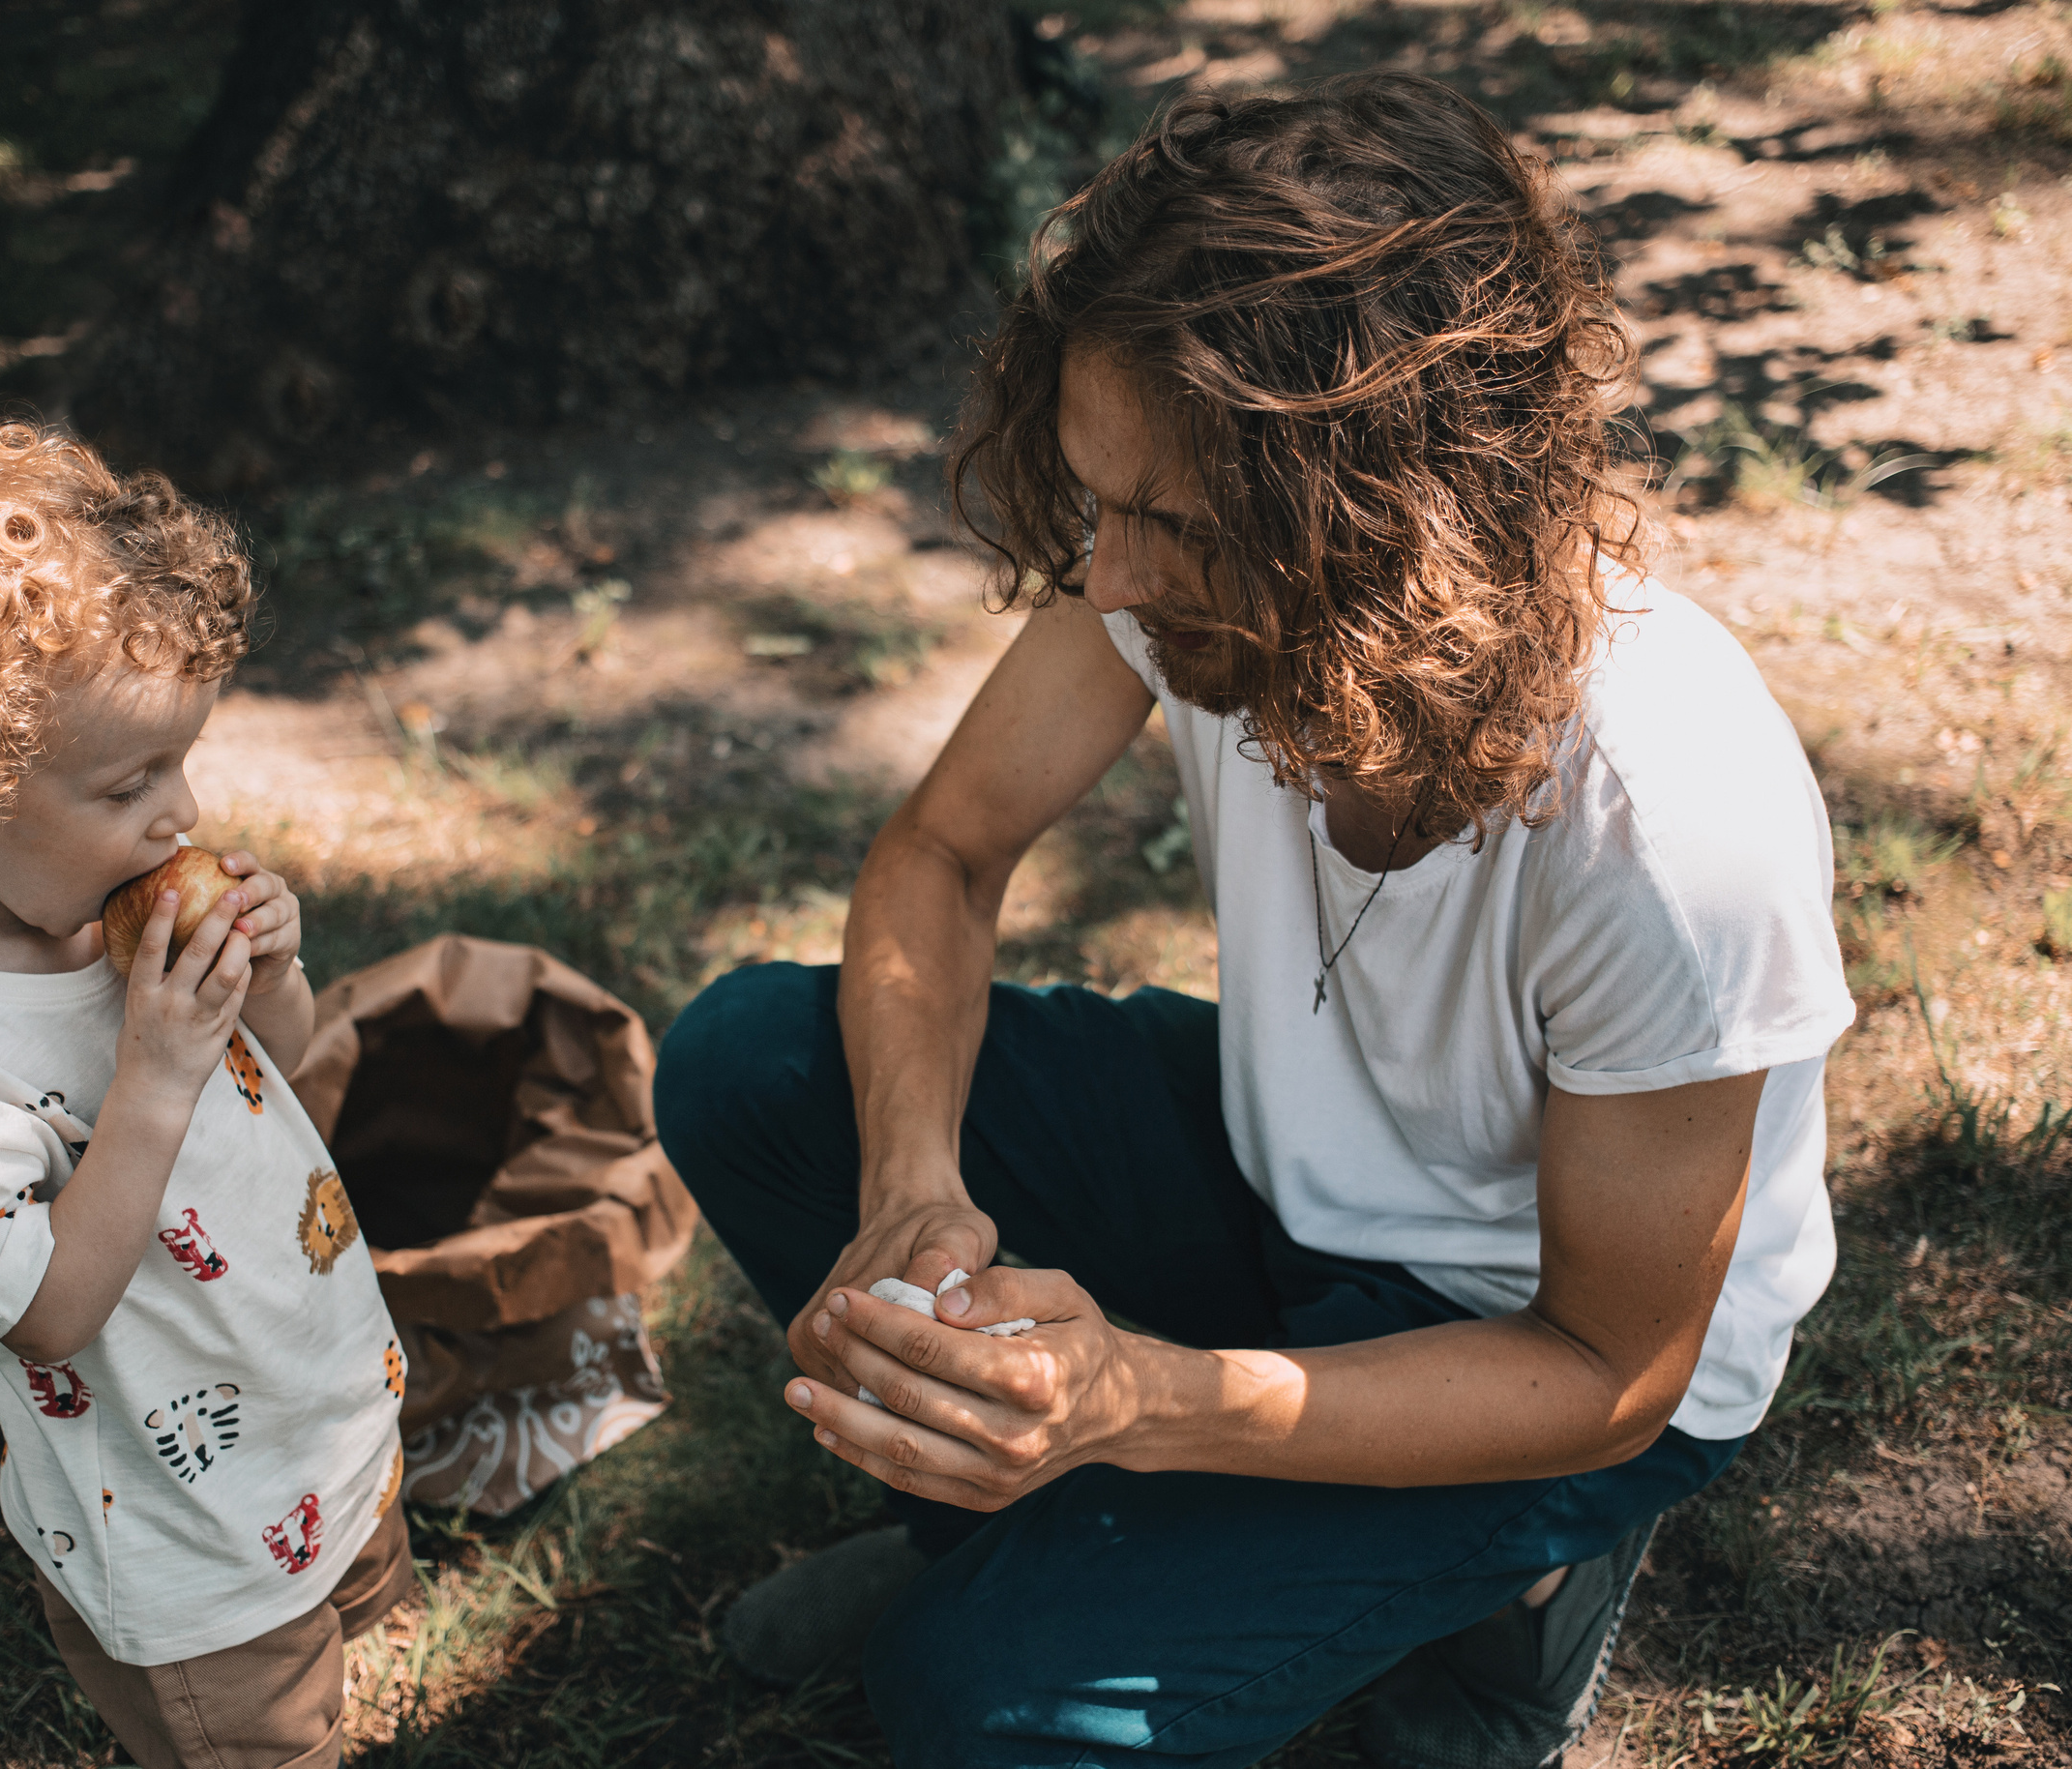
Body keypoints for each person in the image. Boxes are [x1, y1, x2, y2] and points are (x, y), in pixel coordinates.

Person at [655, 74, 1852, 1768]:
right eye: (1100, 499)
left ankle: (1518, 1605)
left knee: (979, 1704)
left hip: (1533, 1342)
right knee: (754, 1065)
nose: (1114, 581)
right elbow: (942, 852)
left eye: (1172, 527)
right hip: (1293, 1170)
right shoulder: (1189, 563)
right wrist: (915, 1186)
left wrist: (1144, 1394)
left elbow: (1613, 1362)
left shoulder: (1669, 825)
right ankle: (997, 1527)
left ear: (1388, 518)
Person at [0, 419, 410, 1769]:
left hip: (303, 1391)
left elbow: (284, 1068)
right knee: (263, 1731)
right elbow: (43, 1314)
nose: (183, 814)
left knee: (350, 1597)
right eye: (128, 782)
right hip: (182, 1522)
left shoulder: (112, 901)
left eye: (182, 759)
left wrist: (268, 977)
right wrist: (154, 1075)